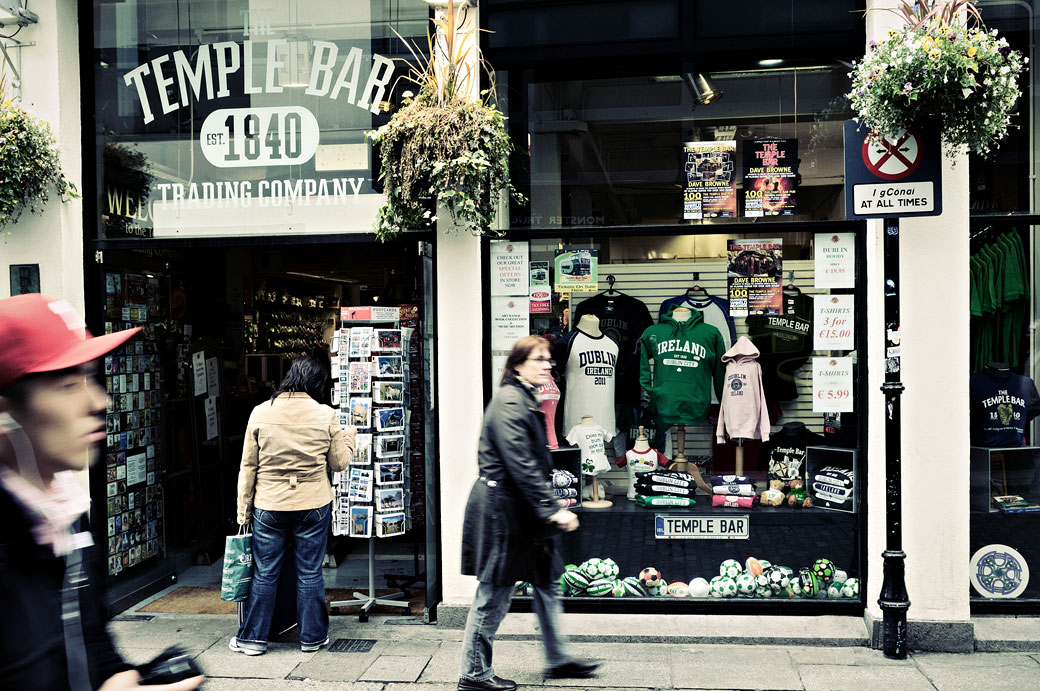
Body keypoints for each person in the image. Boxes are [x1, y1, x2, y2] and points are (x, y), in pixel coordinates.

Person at [0, 293, 204, 691]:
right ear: (6, 412)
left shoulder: (71, 515)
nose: (99, 402)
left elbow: (92, 645)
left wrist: (125, 677)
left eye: (92, 378)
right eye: (67, 385)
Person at [459, 336, 599, 691]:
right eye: (539, 359)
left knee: (548, 582)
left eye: (548, 359)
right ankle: (474, 674)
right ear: (518, 364)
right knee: (494, 594)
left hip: (522, 510)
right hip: (504, 511)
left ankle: (558, 660)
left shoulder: (523, 396)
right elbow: (520, 463)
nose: (547, 365)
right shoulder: (509, 402)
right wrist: (553, 508)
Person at [231, 355, 356, 655]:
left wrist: (242, 511)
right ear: (317, 384)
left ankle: (253, 639)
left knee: (264, 571)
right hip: (312, 503)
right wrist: (349, 437)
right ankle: (312, 637)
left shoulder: (260, 412)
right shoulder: (325, 414)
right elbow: (338, 463)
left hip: (269, 504)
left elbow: (248, 467)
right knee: (310, 571)